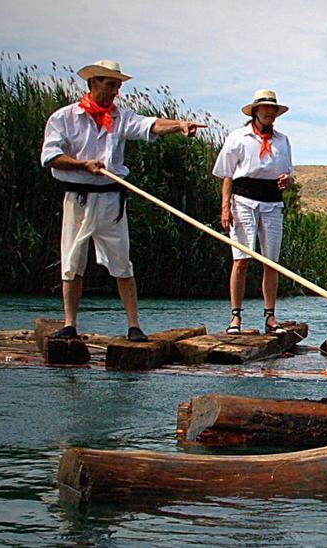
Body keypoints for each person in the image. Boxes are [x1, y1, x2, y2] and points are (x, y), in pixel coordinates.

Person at [40, 59, 201, 342]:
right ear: (93, 83)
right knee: (72, 261)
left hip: (111, 200)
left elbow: (150, 125)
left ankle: (133, 326)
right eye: (111, 84)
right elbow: (50, 157)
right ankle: (70, 325)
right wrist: (82, 165)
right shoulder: (63, 117)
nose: (116, 91)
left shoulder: (121, 117)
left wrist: (179, 125)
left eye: (118, 86)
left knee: (122, 264)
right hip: (77, 198)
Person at [212, 90, 295, 334]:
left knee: (271, 263)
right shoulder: (239, 137)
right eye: (265, 108)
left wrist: (287, 180)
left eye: (273, 109)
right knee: (242, 260)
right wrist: (225, 207)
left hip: (272, 202)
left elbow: (289, 174)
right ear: (255, 111)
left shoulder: (282, 140)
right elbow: (227, 175)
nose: (270, 112)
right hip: (243, 201)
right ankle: (235, 318)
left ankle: (270, 317)